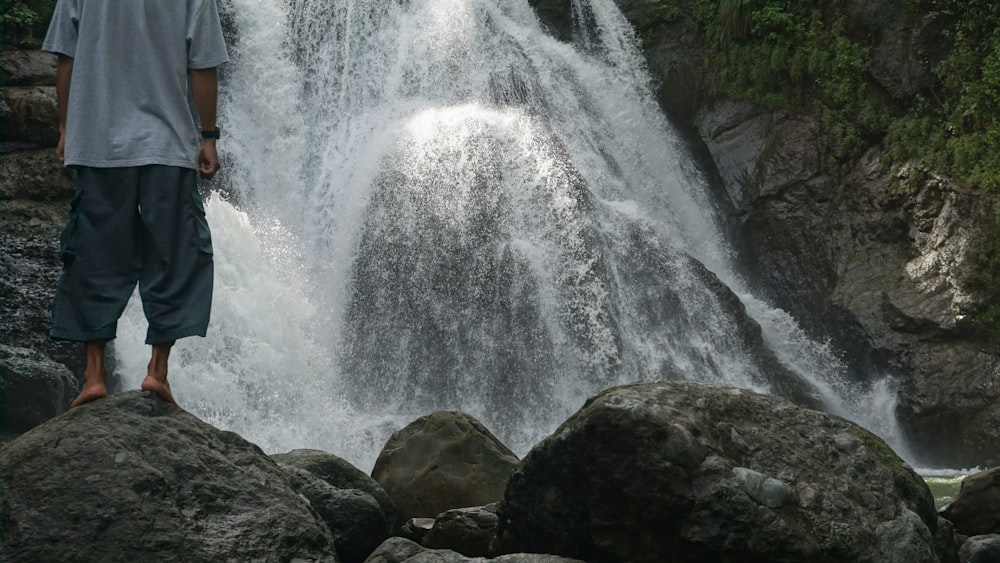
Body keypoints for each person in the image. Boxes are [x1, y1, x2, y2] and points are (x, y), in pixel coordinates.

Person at [42, 0, 229, 407]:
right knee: (176, 255)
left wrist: (65, 128)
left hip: (98, 142)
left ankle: (93, 376)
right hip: (166, 144)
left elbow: (66, 58)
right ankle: (157, 371)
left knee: (93, 254)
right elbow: (203, 64)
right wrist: (209, 134)